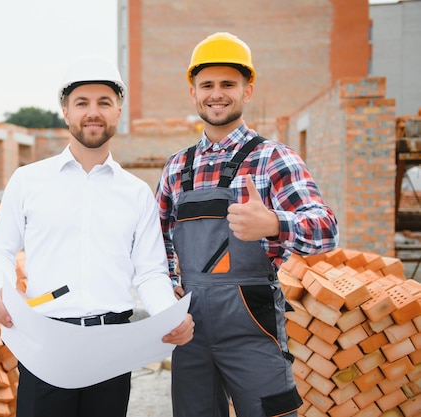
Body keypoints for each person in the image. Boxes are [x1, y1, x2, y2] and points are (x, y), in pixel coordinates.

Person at [0, 55, 194, 417]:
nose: (92, 112)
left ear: (118, 111)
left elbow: (149, 272)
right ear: (65, 112)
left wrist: (168, 316)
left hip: (110, 349)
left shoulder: (136, 193)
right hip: (46, 343)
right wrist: (0, 290)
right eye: (82, 103)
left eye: (104, 103)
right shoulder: (28, 182)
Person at [155, 32, 339, 417]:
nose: (216, 93)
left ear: (247, 90)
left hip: (252, 330)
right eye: (207, 85)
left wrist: (274, 222)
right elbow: (158, 244)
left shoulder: (273, 158)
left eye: (228, 84)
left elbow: (325, 231)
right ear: (193, 92)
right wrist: (166, 293)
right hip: (190, 330)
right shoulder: (176, 167)